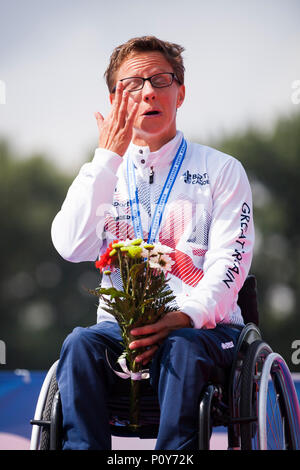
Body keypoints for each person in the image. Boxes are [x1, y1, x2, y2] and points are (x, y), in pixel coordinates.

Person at [51, 35, 254, 450]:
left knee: (180, 345)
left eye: (161, 80)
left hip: (205, 332)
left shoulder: (222, 170)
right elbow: (70, 245)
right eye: (132, 84)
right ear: (114, 100)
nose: (148, 92)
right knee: (78, 342)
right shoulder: (102, 174)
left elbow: (230, 267)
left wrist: (183, 316)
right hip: (118, 333)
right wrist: (106, 159)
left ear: (181, 92)